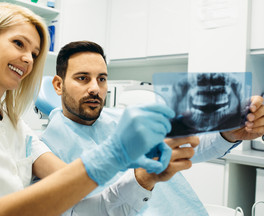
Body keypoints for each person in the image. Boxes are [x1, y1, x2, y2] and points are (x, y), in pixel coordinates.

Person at [0, 3, 177, 216]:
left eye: (35, 53)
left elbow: (72, 190)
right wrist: (114, 154)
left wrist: (140, 172)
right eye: (19, 43)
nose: (28, 58)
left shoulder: (15, 127)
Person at [40, 41, 264, 215]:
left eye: (101, 79)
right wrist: (141, 178)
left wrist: (227, 134)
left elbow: (189, 144)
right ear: (59, 85)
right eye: (82, 78)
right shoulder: (46, 152)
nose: (95, 89)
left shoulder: (126, 119)